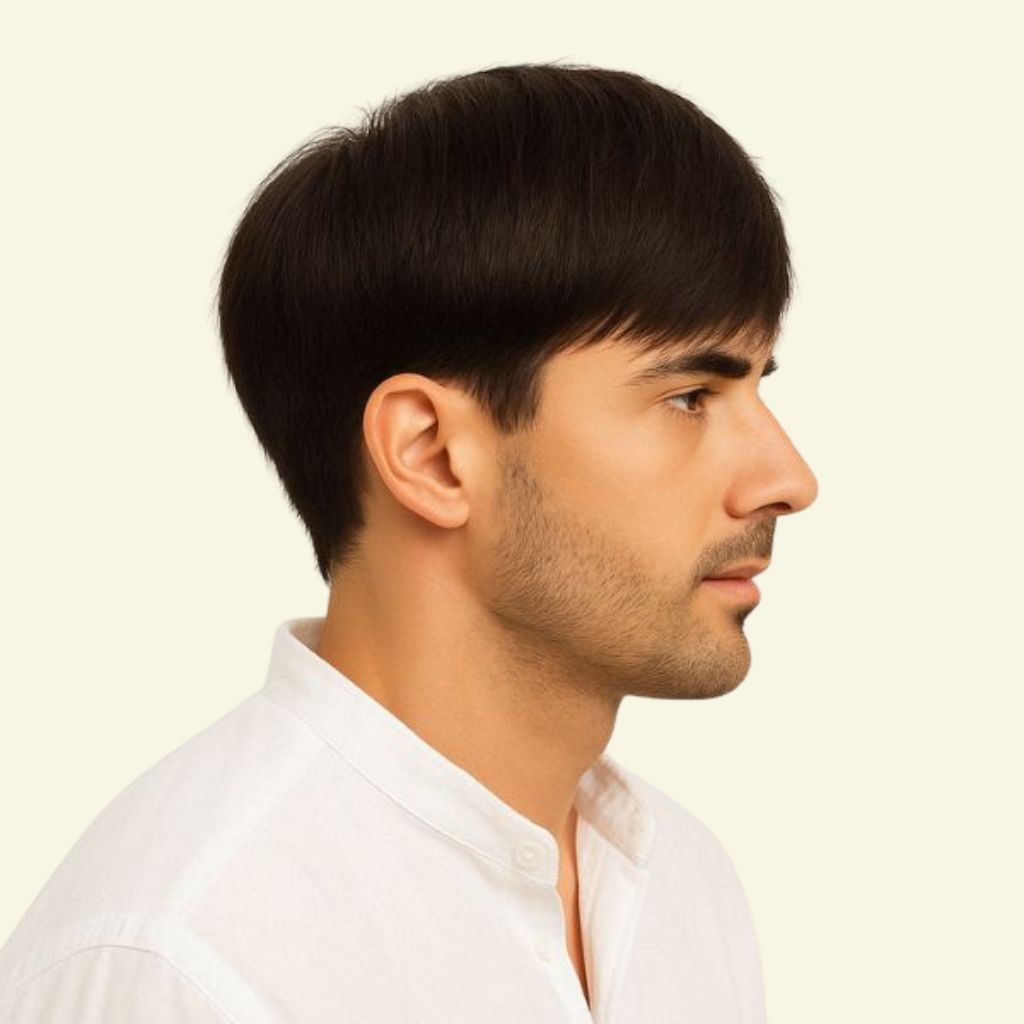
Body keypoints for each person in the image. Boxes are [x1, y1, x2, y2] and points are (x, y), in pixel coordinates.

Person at [0, 61, 817, 1022]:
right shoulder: (189, 964)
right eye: (689, 397)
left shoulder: (680, 884)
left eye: (757, 387)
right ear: (431, 454)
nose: (789, 478)